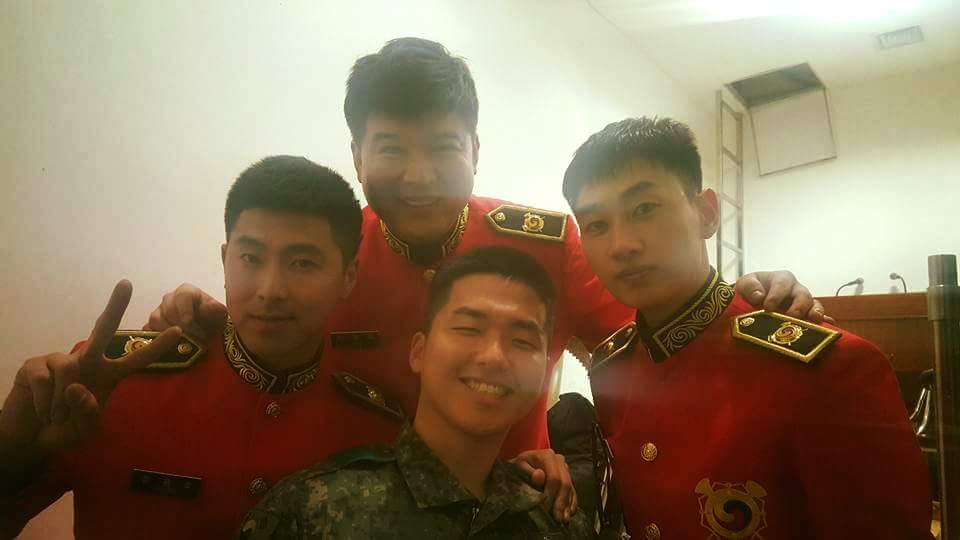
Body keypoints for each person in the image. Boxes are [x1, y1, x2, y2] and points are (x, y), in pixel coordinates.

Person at [144, 37, 825, 469]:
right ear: (356, 156)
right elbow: (264, 352)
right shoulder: (327, 251)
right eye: (391, 150)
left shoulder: (546, 244)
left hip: (513, 506)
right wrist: (194, 318)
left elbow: (654, 349)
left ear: (475, 149)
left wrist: (740, 307)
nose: (419, 176)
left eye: (443, 148)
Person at [563, 117, 933, 539]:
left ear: (706, 213)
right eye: (596, 225)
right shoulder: (612, 367)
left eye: (644, 209)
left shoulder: (828, 368)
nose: (622, 245)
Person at [0, 156, 406, 539]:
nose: (270, 290)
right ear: (225, 260)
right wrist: (13, 445)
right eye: (251, 257)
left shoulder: (372, 430)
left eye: (303, 263)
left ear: (348, 277)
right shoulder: (111, 383)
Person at [237, 247, 594, 539]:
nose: (494, 357)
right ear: (418, 352)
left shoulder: (557, 522)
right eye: (468, 329)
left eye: (523, 341)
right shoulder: (310, 511)